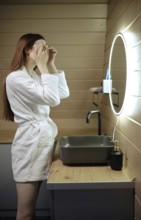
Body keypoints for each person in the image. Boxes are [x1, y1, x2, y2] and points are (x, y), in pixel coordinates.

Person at [3, 33, 70, 220]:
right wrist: (43, 66)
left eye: (47, 47)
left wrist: (50, 64)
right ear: (27, 50)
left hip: (40, 141)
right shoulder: (16, 78)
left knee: (30, 211)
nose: (45, 51)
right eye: (42, 48)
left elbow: (62, 93)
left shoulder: (34, 75)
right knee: (25, 212)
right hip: (30, 146)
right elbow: (52, 99)